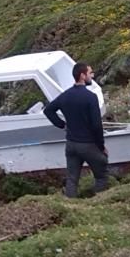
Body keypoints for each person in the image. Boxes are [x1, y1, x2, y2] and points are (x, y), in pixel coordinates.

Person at [44, 62, 108, 197]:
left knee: (72, 180)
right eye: (90, 73)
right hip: (88, 144)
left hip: (71, 144)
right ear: (82, 75)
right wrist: (101, 146)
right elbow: (97, 125)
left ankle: (71, 206)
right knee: (101, 176)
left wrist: (62, 124)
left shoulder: (65, 95)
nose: (92, 75)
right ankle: (98, 204)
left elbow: (48, 111)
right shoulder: (90, 97)